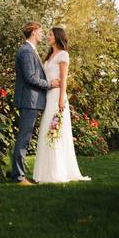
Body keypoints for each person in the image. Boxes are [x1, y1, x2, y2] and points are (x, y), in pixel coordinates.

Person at [32, 27, 90, 183]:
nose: (48, 37)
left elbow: (64, 79)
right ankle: (44, 172)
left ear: (58, 37)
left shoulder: (64, 55)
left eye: (50, 35)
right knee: (46, 131)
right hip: (48, 96)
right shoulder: (49, 56)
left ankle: (57, 171)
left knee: (55, 132)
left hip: (57, 97)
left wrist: (61, 100)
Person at [11, 22, 60, 185]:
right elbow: (30, 78)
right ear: (33, 33)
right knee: (23, 138)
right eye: (40, 32)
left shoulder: (30, 51)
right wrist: (50, 84)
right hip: (28, 101)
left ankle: (20, 174)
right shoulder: (26, 52)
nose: (42, 34)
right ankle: (19, 177)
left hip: (32, 101)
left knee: (25, 137)